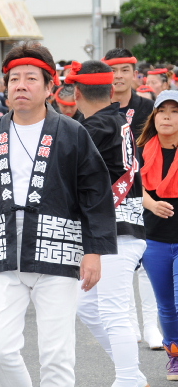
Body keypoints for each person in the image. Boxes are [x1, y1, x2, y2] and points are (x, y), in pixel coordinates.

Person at [0, 42, 118, 387]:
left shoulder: (72, 132)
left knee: (57, 354)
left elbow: (95, 193)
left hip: (58, 250)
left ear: (49, 86)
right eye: (14, 79)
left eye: (30, 79)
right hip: (4, 248)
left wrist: (94, 251)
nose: (21, 86)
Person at [67, 60, 149, 387]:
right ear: (111, 89)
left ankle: (128, 377)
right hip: (117, 227)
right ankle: (131, 372)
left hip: (119, 229)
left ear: (76, 93)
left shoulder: (94, 128)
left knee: (113, 310)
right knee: (87, 306)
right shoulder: (116, 120)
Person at [103, 48, 163, 349]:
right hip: (110, 196)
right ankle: (129, 323)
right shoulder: (99, 108)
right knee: (120, 262)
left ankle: (151, 325)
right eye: (113, 71)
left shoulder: (148, 107)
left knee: (147, 264)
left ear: (134, 73)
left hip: (147, 191)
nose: (118, 77)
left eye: (124, 70)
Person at [137, 90, 178, 381]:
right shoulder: (141, 150)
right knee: (166, 306)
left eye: (175, 111)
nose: (167, 117)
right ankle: (174, 356)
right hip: (154, 238)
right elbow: (129, 186)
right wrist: (151, 203)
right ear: (154, 116)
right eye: (162, 111)